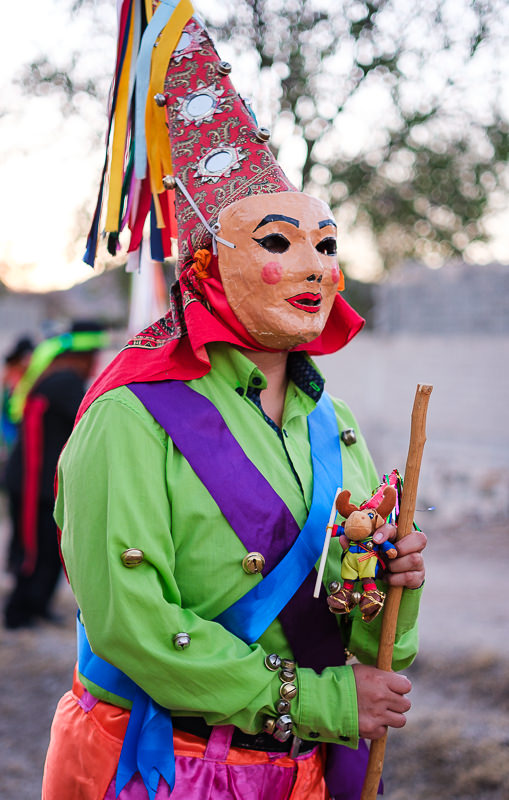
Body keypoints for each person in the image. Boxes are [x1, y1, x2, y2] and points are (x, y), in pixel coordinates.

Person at [42, 6, 426, 800]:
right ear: (208, 267)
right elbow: (131, 623)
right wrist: (317, 699)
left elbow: (360, 627)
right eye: (279, 243)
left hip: (301, 774)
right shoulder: (131, 416)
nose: (315, 266)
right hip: (161, 768)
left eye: (325, 244)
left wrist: (391, 585)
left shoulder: (335, 423)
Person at [3, 321, 107, 629]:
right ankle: (18, 612)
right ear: (81, 356)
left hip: (38, 481)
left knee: (49, 547)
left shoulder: (57, 377)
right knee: (36, 548)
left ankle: (37, 605)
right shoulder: (64, 382)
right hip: (35, 482)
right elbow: (89, 422)